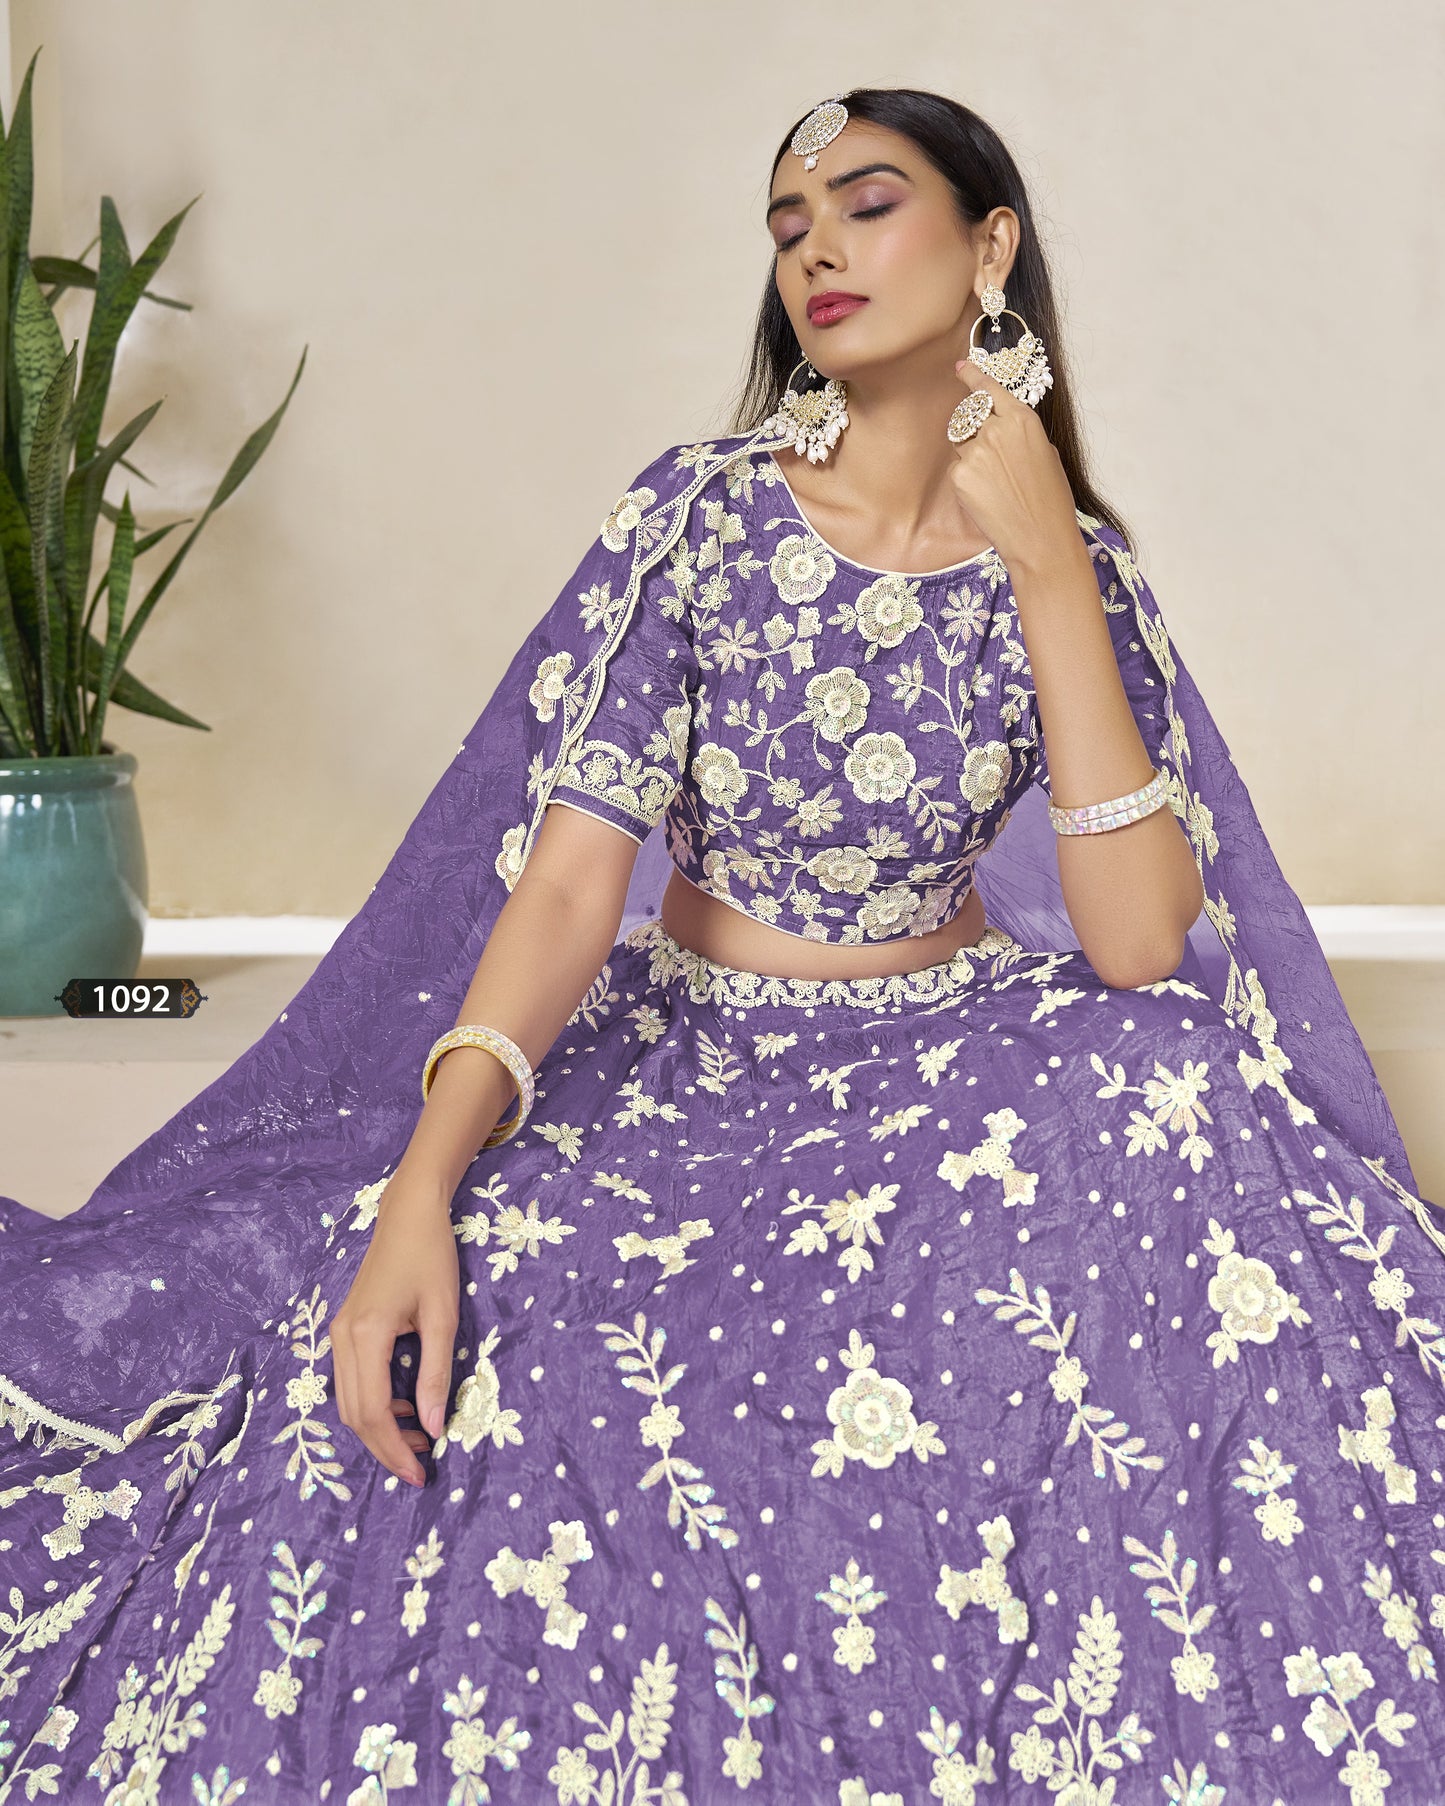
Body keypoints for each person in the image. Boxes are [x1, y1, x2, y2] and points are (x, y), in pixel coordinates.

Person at [1, 85, 1442, 1806]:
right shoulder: (701, 517)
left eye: (867, 203)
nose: (815, 248)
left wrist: (1050, 563)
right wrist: (419, 1188)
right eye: (786, 224)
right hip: (695, 1056)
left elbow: (1137, 944)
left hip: (951, 1063)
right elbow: (564, 889)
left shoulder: (1069, 560)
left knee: (1173, 1082)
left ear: (989, 244)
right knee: (513, 1306)